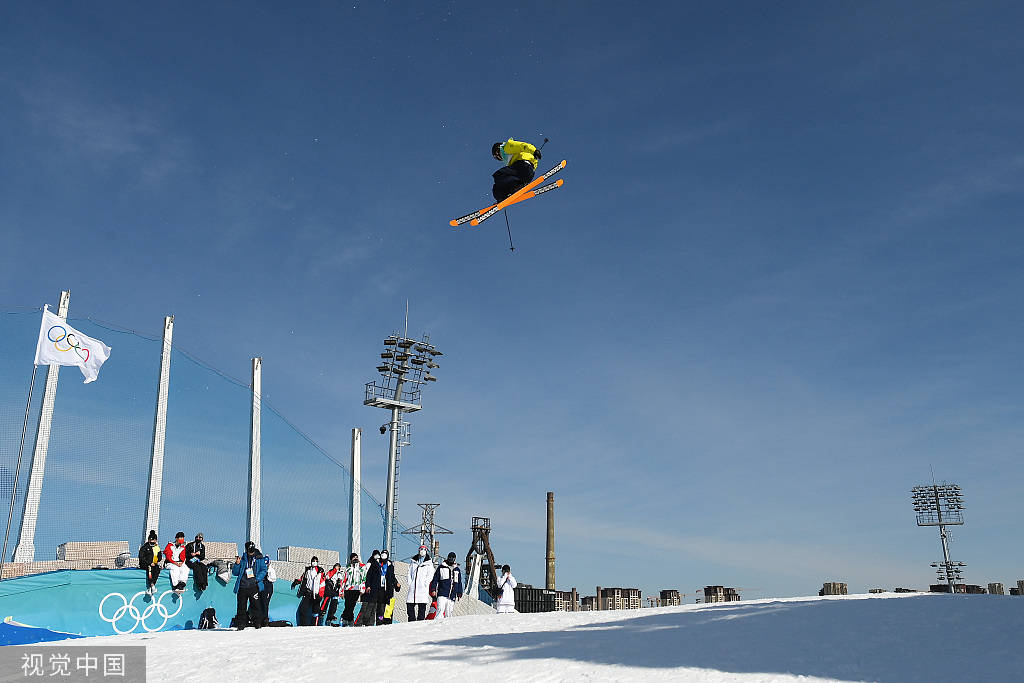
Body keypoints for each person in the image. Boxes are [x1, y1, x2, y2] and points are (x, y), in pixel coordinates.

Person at [231, 541, 268, 630]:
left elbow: (264, 570)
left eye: (252, 550)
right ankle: (241, 624)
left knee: (256, 606)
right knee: (241, 607)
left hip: (253, 586)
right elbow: (235, 573)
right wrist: (237, 564)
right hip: (243, 586)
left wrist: (257, 579)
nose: (251, 552)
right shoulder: (243, 559)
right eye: (249, 550)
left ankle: (257, 623)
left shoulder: (259, 558)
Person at [364, 549, 400, 626]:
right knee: (380, 608)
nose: (384, 555)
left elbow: (392, 577)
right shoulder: (375, 564)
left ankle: (387, 622)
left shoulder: (390, 565)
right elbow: (369, 576)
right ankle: (379, 621)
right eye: (382, 554)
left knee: (388, 607)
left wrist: (396, 584)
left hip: (387, 590)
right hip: (377, 589)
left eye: (385, 554)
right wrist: (368, 586)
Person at [291, 556, 326, 626]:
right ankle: (303, 624)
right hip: (308, 592)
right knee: (303, 609)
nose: (314, 562)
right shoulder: (308, 571)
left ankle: (315, 625)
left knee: (315, 611)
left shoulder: (320, 572)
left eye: (316, 561)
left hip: (316, 594)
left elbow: (322, 584)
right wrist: (296, 582)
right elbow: (303, 579)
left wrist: (320, 595)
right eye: (313, 561)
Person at [429, 552, 464, 621]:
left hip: (452, 594)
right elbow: (435, 579)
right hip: (442, 593)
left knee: (449, 612)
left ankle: (448, 628)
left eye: (452, 558)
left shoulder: (457, 569)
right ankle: (438, 624)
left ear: (454, 559)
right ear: (447, 557)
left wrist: (459, 593)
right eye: (449, 557)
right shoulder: (441, 567)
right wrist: (433, 589)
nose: (451, 559)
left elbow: (459, 582)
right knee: (440, 609)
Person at [406, 545, 433, 621]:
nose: (422, 550)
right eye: (421, 549)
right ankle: (411, 620)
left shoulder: (428, 563)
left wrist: (426, 583)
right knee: (410, 605)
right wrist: (410, 582)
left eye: (424, 549)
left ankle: (420, 621)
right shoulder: (413, 562)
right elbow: (409, 572)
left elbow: (430, 574)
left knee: (422, 607)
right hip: (413, 588)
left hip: (422, 588)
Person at [341, 552, 367, 627]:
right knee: (347, 605)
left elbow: (363, 579)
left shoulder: (362, 567)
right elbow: (344, 579)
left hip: (356, 589)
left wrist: (362, 589)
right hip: (348, 589)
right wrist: (341, 591)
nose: (355, 558)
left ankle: (346, 619)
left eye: (356, 557)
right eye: (353, 557)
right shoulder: (348, 568)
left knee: (352, 605)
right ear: (351, 559)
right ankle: (349, 620)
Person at [356, 550, 381, 626]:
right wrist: (367, 586)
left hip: (376, 590)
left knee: (373, 608)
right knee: (365, 607)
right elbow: (366, 576)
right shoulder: (370, 564)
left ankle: (370, 623)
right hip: (368, 589)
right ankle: (359, 622)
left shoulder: (379, 564)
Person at [138, 530, 163, 595]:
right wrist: (149, 563)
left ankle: (151, 587)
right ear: (148, 540)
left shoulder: (157, 548)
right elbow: (141, 557)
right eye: (151, 541)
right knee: (150, 569)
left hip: (154, 564)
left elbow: (160, 557)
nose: (152, 542)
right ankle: (151, 585)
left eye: (154, 541)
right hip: (145, 564)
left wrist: (156, 562)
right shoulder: (144, 547)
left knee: (157, 570)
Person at [260, 558, 276, 626]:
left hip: (268, 587)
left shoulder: (271, 570)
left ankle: (265, 619)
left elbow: (274, 579)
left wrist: (268, 577)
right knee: (260, 603)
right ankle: (260, 618)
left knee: (265, 604)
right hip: (262, 587)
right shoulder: (262, 569)